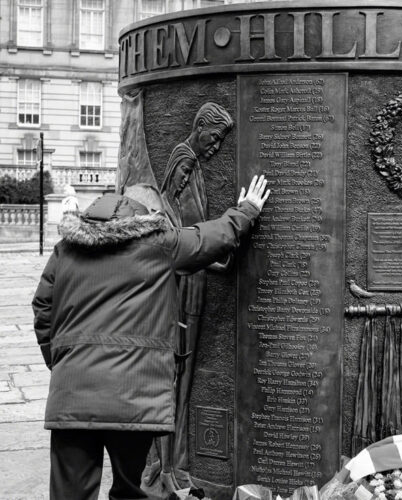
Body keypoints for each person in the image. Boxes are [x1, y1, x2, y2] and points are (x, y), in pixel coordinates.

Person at [32, 175, 270, 500]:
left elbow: (43, 306)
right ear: (145, 215)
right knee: (130, 489)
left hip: (72, 391)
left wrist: (60, 361)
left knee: (70, 494)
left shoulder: (65, 249)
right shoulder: (159, 244)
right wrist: (247, 210)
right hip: (134, 393)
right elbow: (209, 238)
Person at [149, 102, 234, 492]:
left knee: (181, 377)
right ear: (199, 127)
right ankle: (168, 464)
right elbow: (178, 232)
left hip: (195, 279)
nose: (215, 147)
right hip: (185, 290)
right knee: (176, 377)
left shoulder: (193, 165)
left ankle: (173, 461)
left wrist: (214, 260)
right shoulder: (183, 162)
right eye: (214, 138)